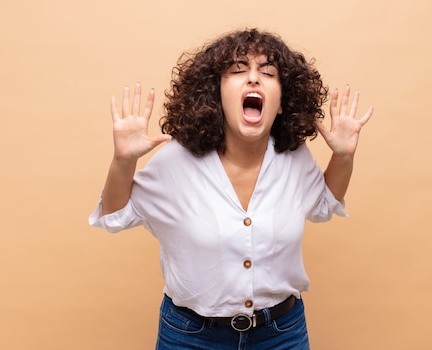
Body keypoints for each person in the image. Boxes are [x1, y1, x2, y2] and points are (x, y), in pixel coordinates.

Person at [89, 28, 373, 349]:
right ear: (217, 96)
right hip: (190, 336)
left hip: (281, 333)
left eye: (267, 73)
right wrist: (123, 160)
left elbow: (324, 202)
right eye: (239, 71)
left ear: (282, 103)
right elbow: (114, 216)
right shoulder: (175, 161)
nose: (253, 79)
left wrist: (344, 155)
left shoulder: (292, 157)